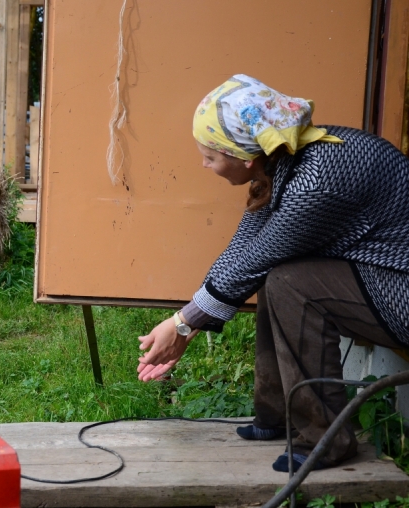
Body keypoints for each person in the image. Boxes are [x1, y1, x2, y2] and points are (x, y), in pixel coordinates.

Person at [136, 74, 409, 472]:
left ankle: (325, 439)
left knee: (288, 281)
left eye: (210, 157)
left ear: (244, 156)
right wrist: (185, 320)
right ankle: (275, 415)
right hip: (377, 273)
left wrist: (182, 325)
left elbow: (259, 258)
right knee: (278, 273)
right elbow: (244, 249)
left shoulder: (316, 182)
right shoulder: (287, 156)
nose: (205, 165)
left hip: (400, 289)